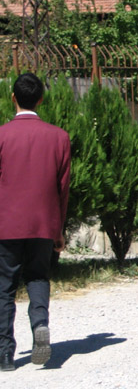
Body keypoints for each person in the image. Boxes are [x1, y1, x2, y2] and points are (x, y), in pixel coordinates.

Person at [0, 73, 71, 371]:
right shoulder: (59, 137)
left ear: (12, 98)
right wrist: (58, 229)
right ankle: (40, 323)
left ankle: (5, 354)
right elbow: (63, 186)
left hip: (6, 223)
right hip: (43, 222)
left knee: (4, 286)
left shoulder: (1, 135)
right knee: (38, 277)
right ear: (41, 99)